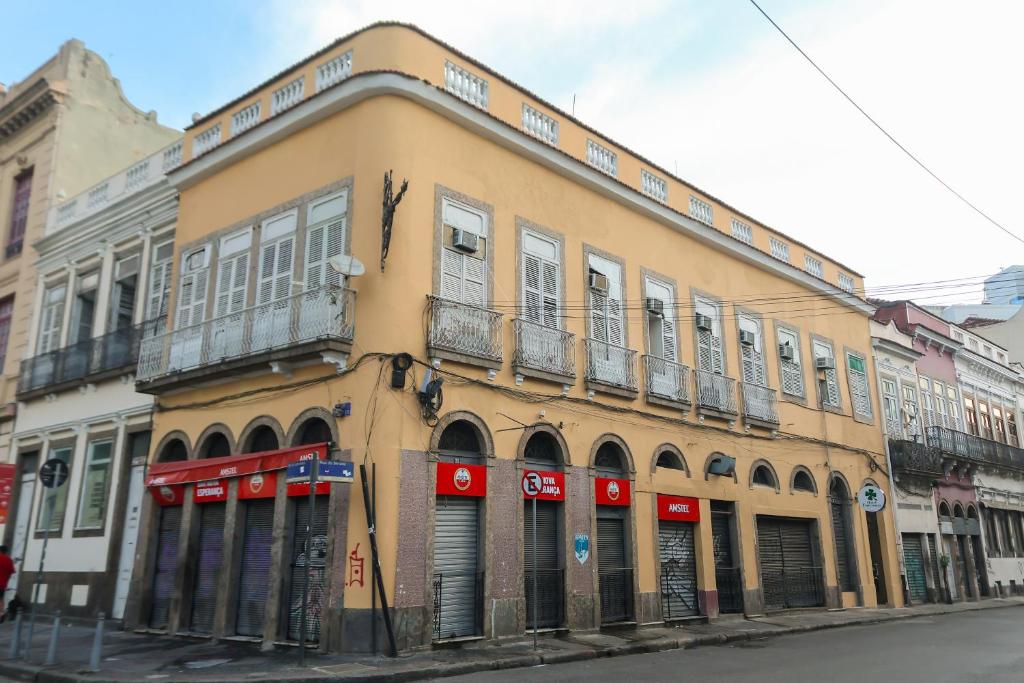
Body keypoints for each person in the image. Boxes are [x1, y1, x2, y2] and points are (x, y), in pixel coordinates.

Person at [0, 546, 14, 622]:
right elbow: (11, 572)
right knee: (1, 599)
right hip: (2, 584)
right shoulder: (9, 560)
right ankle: (1, 614)